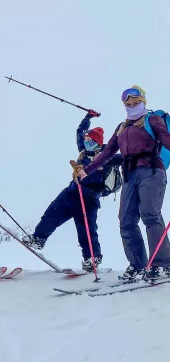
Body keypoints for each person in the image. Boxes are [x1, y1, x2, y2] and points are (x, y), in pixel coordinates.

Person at [78, 86, 170, 280]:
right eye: (128, 104)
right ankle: (138, 265)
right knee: (126, 220)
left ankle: (162, 264)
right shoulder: (122, 127)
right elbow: (107, 153)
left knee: (150, 215)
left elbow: (168, 141)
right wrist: (86, 170)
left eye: (136, 103)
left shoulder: (152, 120)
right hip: (129, 175)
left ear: (143, 102)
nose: (132, 106)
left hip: (152, 171)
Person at [22, 114, 123, 272]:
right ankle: (38, 239)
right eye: (87, 140)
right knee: (51, 213)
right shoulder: (83, 152)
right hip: (71, 192)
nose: (88, 143)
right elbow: (79, 132)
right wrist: (87, 117)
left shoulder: (106, 156)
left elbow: (126, 157)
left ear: (98, 143)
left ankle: (92, 258)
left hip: (89, 197)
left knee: (86, 230)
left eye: (91, 141)